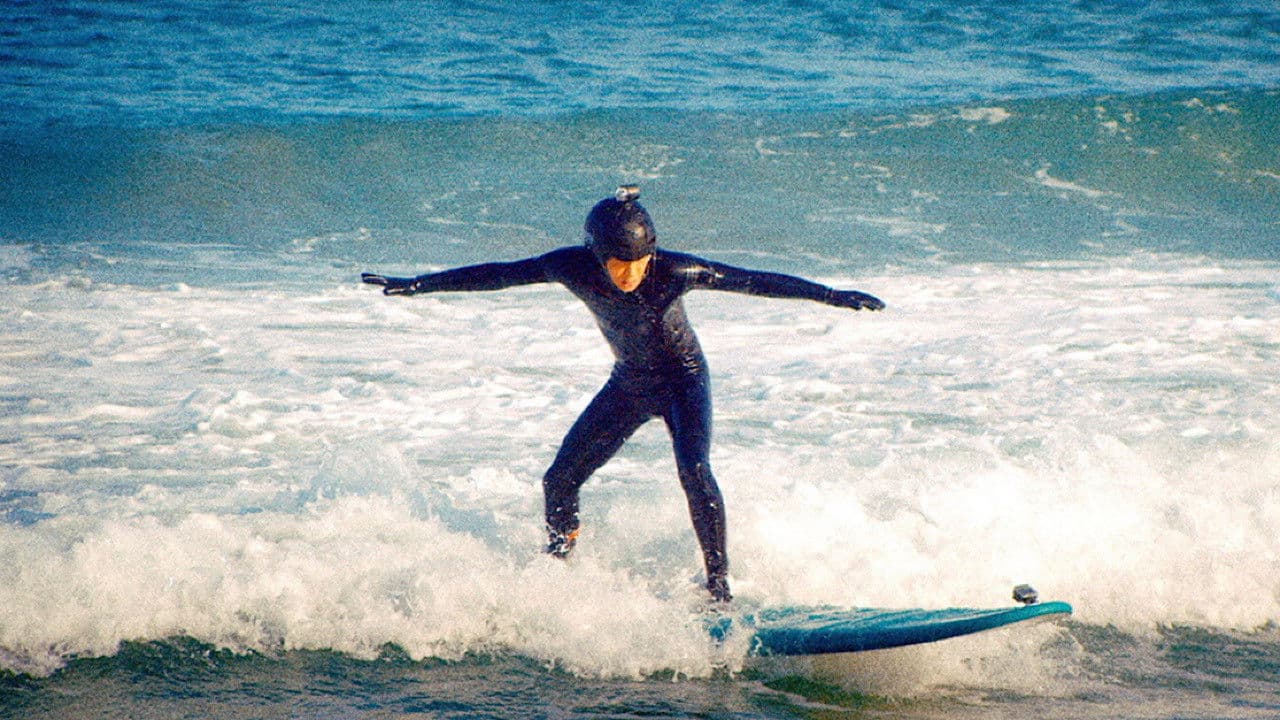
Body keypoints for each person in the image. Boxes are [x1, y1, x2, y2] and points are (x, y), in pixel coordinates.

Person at [362, 186, 884, 602]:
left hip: (683, 379)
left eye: (641, 261)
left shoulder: (675, 271)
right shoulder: (571, 266)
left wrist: (831, 295)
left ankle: (719, 586)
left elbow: (754, 281)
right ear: (597, 255)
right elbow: (499, 275)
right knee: (559, 479)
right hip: (630, 383)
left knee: (694, 470)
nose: (632, 274)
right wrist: (420, 284)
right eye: (620, 264)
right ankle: (558, 560)